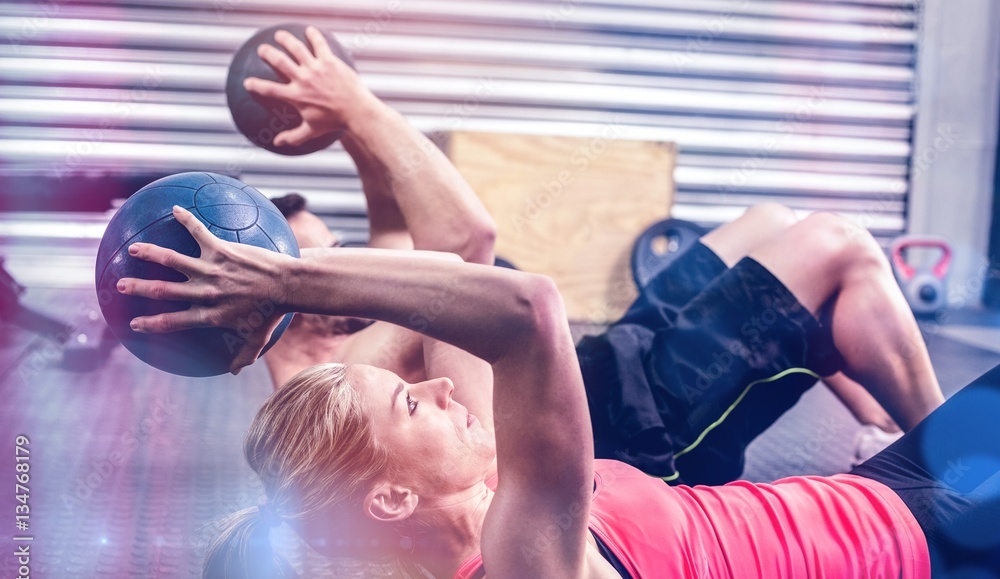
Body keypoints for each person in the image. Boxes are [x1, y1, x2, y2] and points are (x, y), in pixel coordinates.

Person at [121, 199, 998, 579]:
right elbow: (527, 309)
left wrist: (294, 276)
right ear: (391, 494)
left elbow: (464, 258)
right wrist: (288, 278)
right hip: (941, 573)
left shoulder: (490, 486)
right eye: (411, 405)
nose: (436, 388)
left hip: (885, 491)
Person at [242, 28, 943, 485]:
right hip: (635, 434)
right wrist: (357, 104)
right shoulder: (330, 386)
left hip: (612, 360)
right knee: (838, 247)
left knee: (770, 223)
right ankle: (952, 466)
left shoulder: (338, 328)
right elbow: (460, 246)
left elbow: (392, 217)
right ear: (276, 293)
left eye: (335, 245)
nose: (343, 259)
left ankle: (878, 427)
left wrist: (344, 120)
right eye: (318, 259)